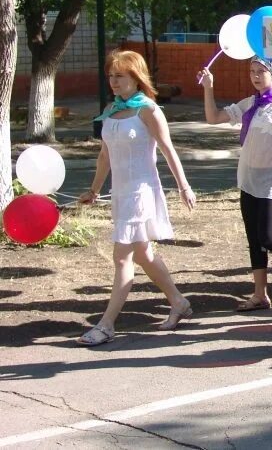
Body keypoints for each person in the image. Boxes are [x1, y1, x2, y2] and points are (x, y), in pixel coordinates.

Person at [76, 51, 197, 346]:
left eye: (120, 76)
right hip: (120, 192)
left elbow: (168, 149)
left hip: (141, 192)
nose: (113, 81)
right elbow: (105, 155)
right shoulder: (111, 110)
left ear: (136, 78)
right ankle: (178, 302)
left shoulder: (148, 110)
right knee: (143, 253)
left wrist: (184, 186)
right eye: (111, 76)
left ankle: (106, 325)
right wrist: (94, 189)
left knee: (122, 258)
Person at [198, 57, 272, 311]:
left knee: (268, 237)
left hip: (271, 179)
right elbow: (213, 117)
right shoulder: (250, 103)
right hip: (248, 178)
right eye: (252, 71)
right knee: (254, 239)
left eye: (261, 71)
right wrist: (209, 87)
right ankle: (260, 294)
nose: (255, 76)